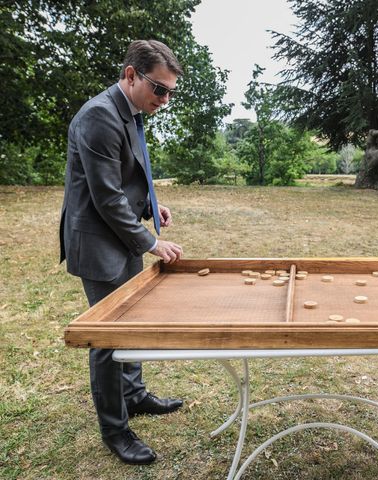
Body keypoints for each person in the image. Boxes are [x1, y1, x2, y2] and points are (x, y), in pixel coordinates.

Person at [59, 40, 185, 465]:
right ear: (131, 75)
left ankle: (134, 395)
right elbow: (107, 198)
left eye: (170, 92)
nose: (164, 100)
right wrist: (151, 242)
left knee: (129, 327)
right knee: (109, 338)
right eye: (159, 89)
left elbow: (130, 176)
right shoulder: (98, 116)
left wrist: (151, 203)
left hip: (121, 237)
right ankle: (115, 431)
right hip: (98, 243)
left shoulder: (131, 110)